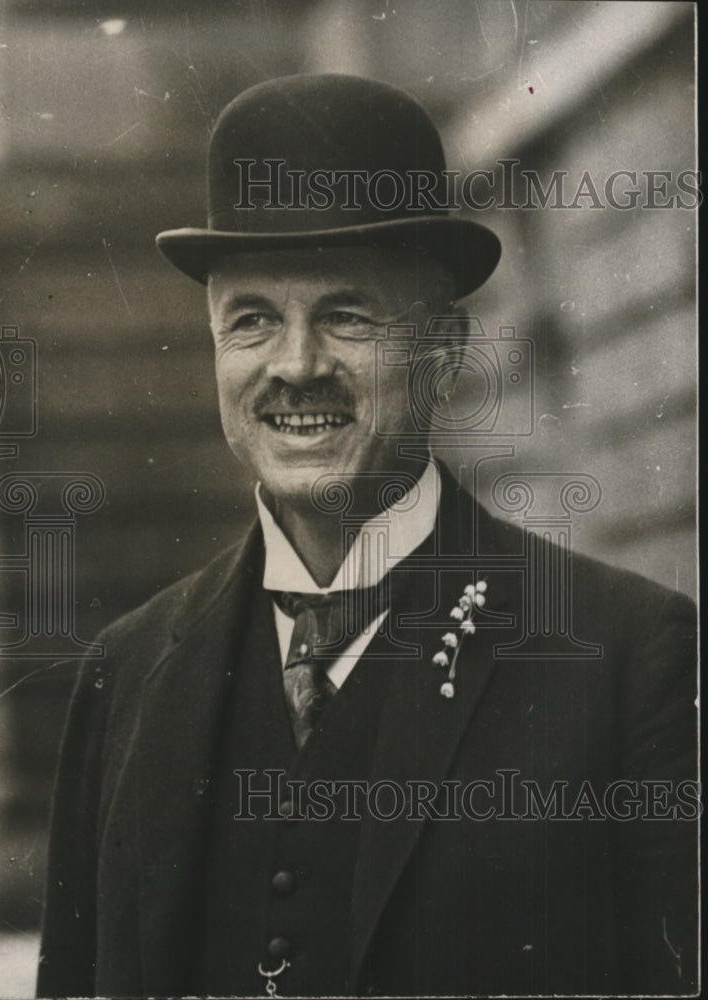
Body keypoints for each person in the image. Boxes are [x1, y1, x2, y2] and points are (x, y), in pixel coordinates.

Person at [36, 74, 697, 998]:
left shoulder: (630, 658)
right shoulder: (126, 671)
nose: (296, 366)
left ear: (446, 350)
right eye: (252, 321)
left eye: (347, 316)